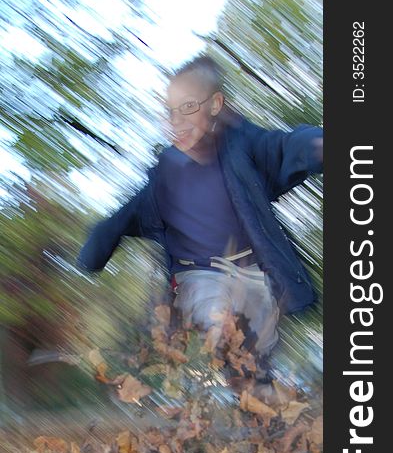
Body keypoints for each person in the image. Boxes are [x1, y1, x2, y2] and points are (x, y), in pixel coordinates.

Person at [78, 55, 323, 374]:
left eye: (189, 107)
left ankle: (259, 398)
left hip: (251, 277)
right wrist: (99, 243)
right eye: (170, 112)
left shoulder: (244, 149)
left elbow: (286, 147)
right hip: (196, 280)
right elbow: (127, 215)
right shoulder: (165, 178)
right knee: (216, 306)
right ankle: (236, 359)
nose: (177, 121)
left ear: (215, 104)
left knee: (253, 357)